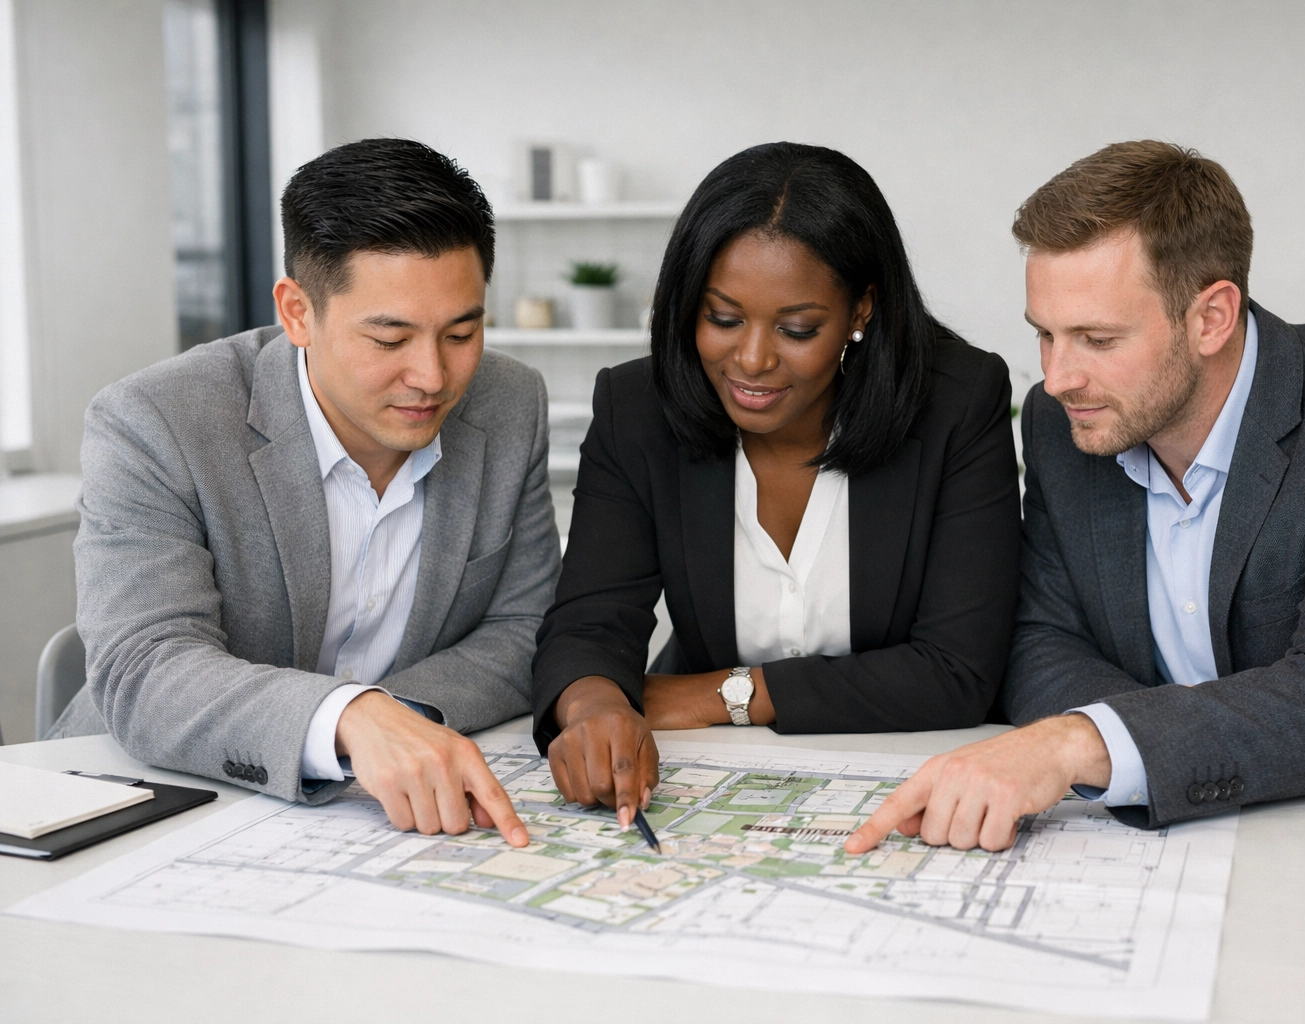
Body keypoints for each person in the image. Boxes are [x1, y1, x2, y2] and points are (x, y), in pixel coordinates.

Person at [847, 140, 1305, 855]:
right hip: (1192, 835)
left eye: (1096, 338)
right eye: (1045, 335)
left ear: (1211, 318)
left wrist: (1077, 743)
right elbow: (1039, 638)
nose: (1057, 378)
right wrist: (1131, 750)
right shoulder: (1065, 425)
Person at [50, 138, 564, 847]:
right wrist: (346, 719)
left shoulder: (511, 404)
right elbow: (147, 666)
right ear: (297, 313)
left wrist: (388, 720)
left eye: (463, 331)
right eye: (389, 339)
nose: (433, 377)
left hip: (372, 824)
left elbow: (525, 629)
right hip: (147, 805)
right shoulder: (153, 421)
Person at [532, 142, 1021, 827]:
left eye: (797, 329)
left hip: (917, 777)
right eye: (723, 318)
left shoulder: (957, 402)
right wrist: (597, 708)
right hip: (712, 785)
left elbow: (956, 671)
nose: (753, 359)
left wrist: (721, 695)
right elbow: (590, 621)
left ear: (860, 311)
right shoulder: (635, 409)